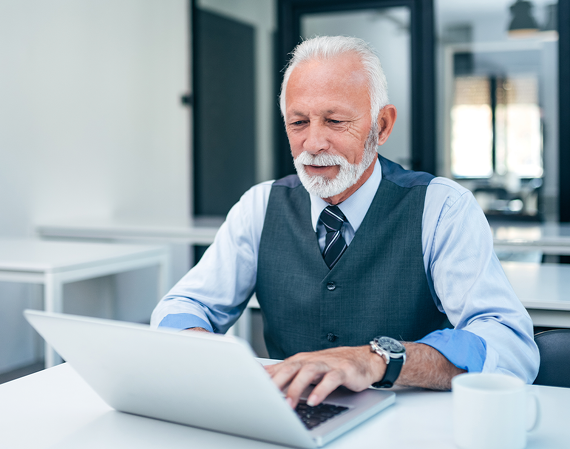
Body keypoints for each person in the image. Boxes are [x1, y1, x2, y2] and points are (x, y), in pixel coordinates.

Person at [151, 36, 539, 409]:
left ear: (382, 126)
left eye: (335, 121)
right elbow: (182, 306)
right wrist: (203, 348)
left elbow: (509, 343)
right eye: (298, 122)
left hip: (411, 424)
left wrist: (379, 360)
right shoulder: (260, 206)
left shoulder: (442, 208)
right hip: (291, 417)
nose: (313, 143)